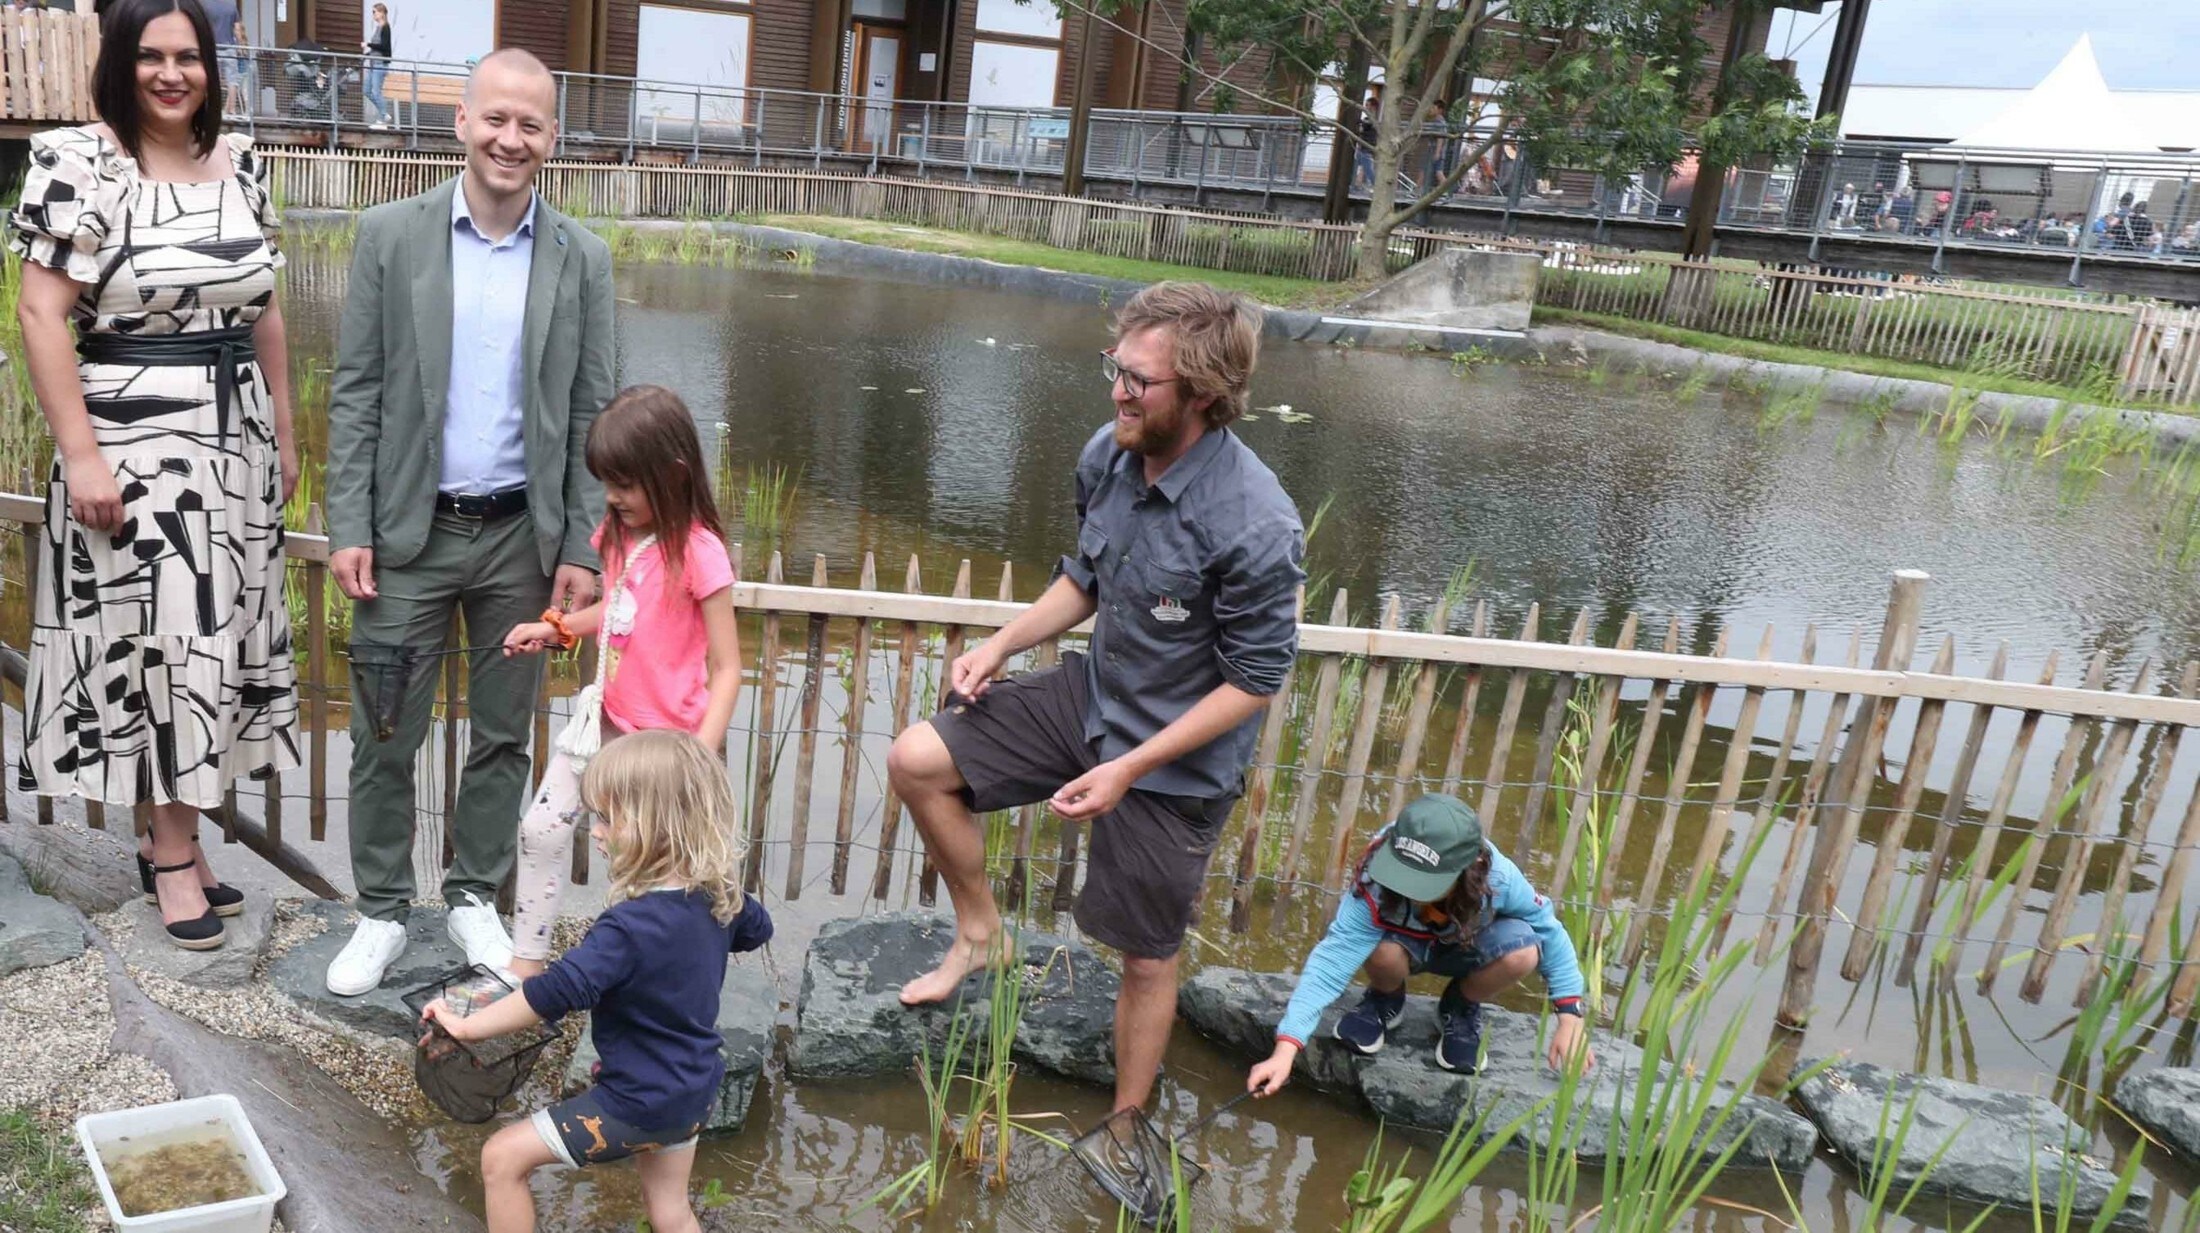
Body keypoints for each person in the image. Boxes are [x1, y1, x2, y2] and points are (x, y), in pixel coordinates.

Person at [886, 281, 1305, 1118]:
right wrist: (1001, 645)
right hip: (1095, 697)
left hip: (1177, 762)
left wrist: (1130, 768)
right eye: (1114, 366)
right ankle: (983, 934)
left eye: (1138, 379)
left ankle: (1125, 1118)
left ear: (1204, 394)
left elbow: (1255, 682)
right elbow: (1085, 577)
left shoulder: (1257, 522)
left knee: (1146, 956)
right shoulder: (1108, 452)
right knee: (916, 761)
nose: (1117, 389)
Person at [323, 48, 617, 997]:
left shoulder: (582, 257)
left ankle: (470, 898)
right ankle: (377, 909)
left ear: (552, 139)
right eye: (495, 118)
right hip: (410, 532)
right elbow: (357, 391)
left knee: (503, 732)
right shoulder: (390, 236)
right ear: (460, 121)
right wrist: (349, 521)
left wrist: (582, 545)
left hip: (517, 540)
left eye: (531, 125)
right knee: (383, 724)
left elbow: (589, 416)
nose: (510, 139)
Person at [8, 0, 299, 951]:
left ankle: (169, 834)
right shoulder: (76, 162)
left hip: (236, 442)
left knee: (208, 645)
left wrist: (285, 438)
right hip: (134, 449)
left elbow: (265, 312)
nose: (171, 74)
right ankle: (172, 850)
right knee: (162, 650)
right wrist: (82, 453)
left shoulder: (242, 162)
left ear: (211, 66)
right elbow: (42, 315)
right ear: (118, 63)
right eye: (150, 56)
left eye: (189, 57)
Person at [419, 730, 774, 1233]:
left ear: (657, 825)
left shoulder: (627, 928)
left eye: (607, 818)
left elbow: (554, 992)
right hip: (693, 1090)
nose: (597, 831)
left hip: (637, 1101)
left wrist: (468, 1028)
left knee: (502, 1158)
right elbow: (758, 929)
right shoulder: (717, 897)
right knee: (670, 1210)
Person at [499, 386, 742, 979]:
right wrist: (554, 628)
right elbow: (618, 614)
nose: (612, 496)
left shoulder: (701, 555)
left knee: (649, 874)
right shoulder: (617, 536)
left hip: (660, 751)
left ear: (674, 473)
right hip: (598, 727)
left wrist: (695, 760)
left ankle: (657, 985)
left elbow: (729, 668)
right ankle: (527, 966)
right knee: (541, 830)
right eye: (607, 481)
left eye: (626, 484)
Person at [1246, 795, 1590, 1095]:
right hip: (1402, 946)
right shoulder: (1376, 875)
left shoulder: (1498, 876)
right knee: (1378, 947)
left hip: (1466, 947)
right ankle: (1384, 999)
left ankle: (1459, 1007)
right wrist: (1286, 1049)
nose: (1409, 889)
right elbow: (1332, 958)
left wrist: (1570, 1019)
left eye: (1423, 882)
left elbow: (1550, 929)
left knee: (1524, 952)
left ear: (1467, 870)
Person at [196, 0, 246, 118]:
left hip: (212, 47)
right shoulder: (231, 7)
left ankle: (213, 108)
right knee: (232, 80)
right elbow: (237, 29)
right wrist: (241, 46)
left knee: (213, 79)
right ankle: (232, 109)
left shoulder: (206, 6)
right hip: (229, 47)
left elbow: (201, 25)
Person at [361, 4, 392, 128]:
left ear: (381, 13)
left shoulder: (385, 28)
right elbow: (376, 48)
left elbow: (384, 47)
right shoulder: (378, 28)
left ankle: (382, 118)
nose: (373, 15)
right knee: (366, 90)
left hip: (380, 65)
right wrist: (367, 53)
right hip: (373, 64)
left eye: (374, 12)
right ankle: (384, 114)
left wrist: (368, 44)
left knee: (376, 92)